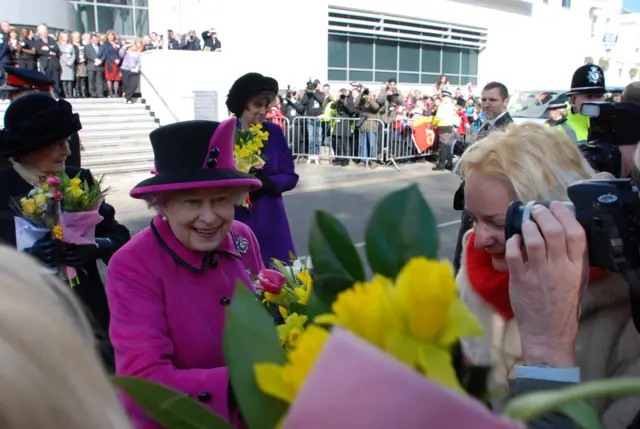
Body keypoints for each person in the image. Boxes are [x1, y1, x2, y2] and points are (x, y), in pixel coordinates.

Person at [456, 123, 640, 427]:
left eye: (500, 223)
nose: (480, 237)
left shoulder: (626, 312)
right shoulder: (474, 265)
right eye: (473, 218)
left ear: (561, 214)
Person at [107, 119, 264, 428]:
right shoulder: (132, 265)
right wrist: (248, 383)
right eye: (192, 202)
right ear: (161, 204)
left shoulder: (243, 236)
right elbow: (143, 386)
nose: (209, 217)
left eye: (221, 200)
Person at [0, 93, 131, 373]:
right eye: (58, 143)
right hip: (27, 322)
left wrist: (94, 247)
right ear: (30, 147)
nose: (68, 151)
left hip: (90, 320)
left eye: (68, 141)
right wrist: (27, 258)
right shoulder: (2, 188)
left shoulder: (79, 179)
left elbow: (119, 237)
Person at [228, 73, 299, 266]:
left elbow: (290, 176)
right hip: (236, 220)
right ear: (243, 103)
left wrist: (268, 183)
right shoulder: (225, 132)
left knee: (278, 280)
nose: (263, 111)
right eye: (257, 104)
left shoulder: (274, 133)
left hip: (271, 218)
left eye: (266, 105)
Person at [0, 65, 82, 168]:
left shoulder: (62, 127)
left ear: (34, 94)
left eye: (15, 93)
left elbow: (70, 174)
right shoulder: (14, 125)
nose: (9, 97)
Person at [565, 63, 607, 146]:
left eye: (599, 96)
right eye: (589, 96)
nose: (595, 101)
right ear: (573, 100)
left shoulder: (614, 128)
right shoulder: (556, 133)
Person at [33, 25, 62, 99]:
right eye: (41, 32)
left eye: (44, 32)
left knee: (56, 81)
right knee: (45, 81)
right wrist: (49, 52)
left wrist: (47, 49)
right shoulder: (37, 42)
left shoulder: (52, 40)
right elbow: (38, 51)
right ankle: (46, 96)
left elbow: (56, 50)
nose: (43, 34)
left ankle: (57, 96)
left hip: (54, 63)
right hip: (45, 64)